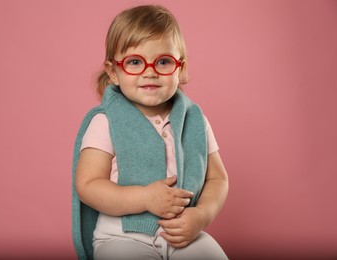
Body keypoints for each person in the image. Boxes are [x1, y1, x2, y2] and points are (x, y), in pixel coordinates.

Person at [72, 4, 229, 260]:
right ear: (113, 71)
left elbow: (218, 179)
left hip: (181, 234)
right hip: (121, 238)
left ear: (181, 69)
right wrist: (145, 198)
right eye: (135, 62)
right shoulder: (105, 121)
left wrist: (201, 216)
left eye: (163, 61)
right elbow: (88, 185)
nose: (150, 71)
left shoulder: (195, 120)